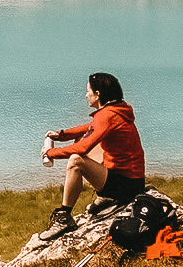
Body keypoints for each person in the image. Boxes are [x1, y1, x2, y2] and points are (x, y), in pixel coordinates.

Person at [42, 71, 146, 229]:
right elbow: (91, 127)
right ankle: (107, 196)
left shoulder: (107, 115)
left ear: (97, 94)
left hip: (126, 187)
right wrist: (62, 135)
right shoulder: (116, 109)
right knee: (82, 140)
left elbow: (84, 146)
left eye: (88, 91)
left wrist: (51, 153)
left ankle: (64, 217)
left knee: (76, 160)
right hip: (130, 180)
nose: (85, 95)